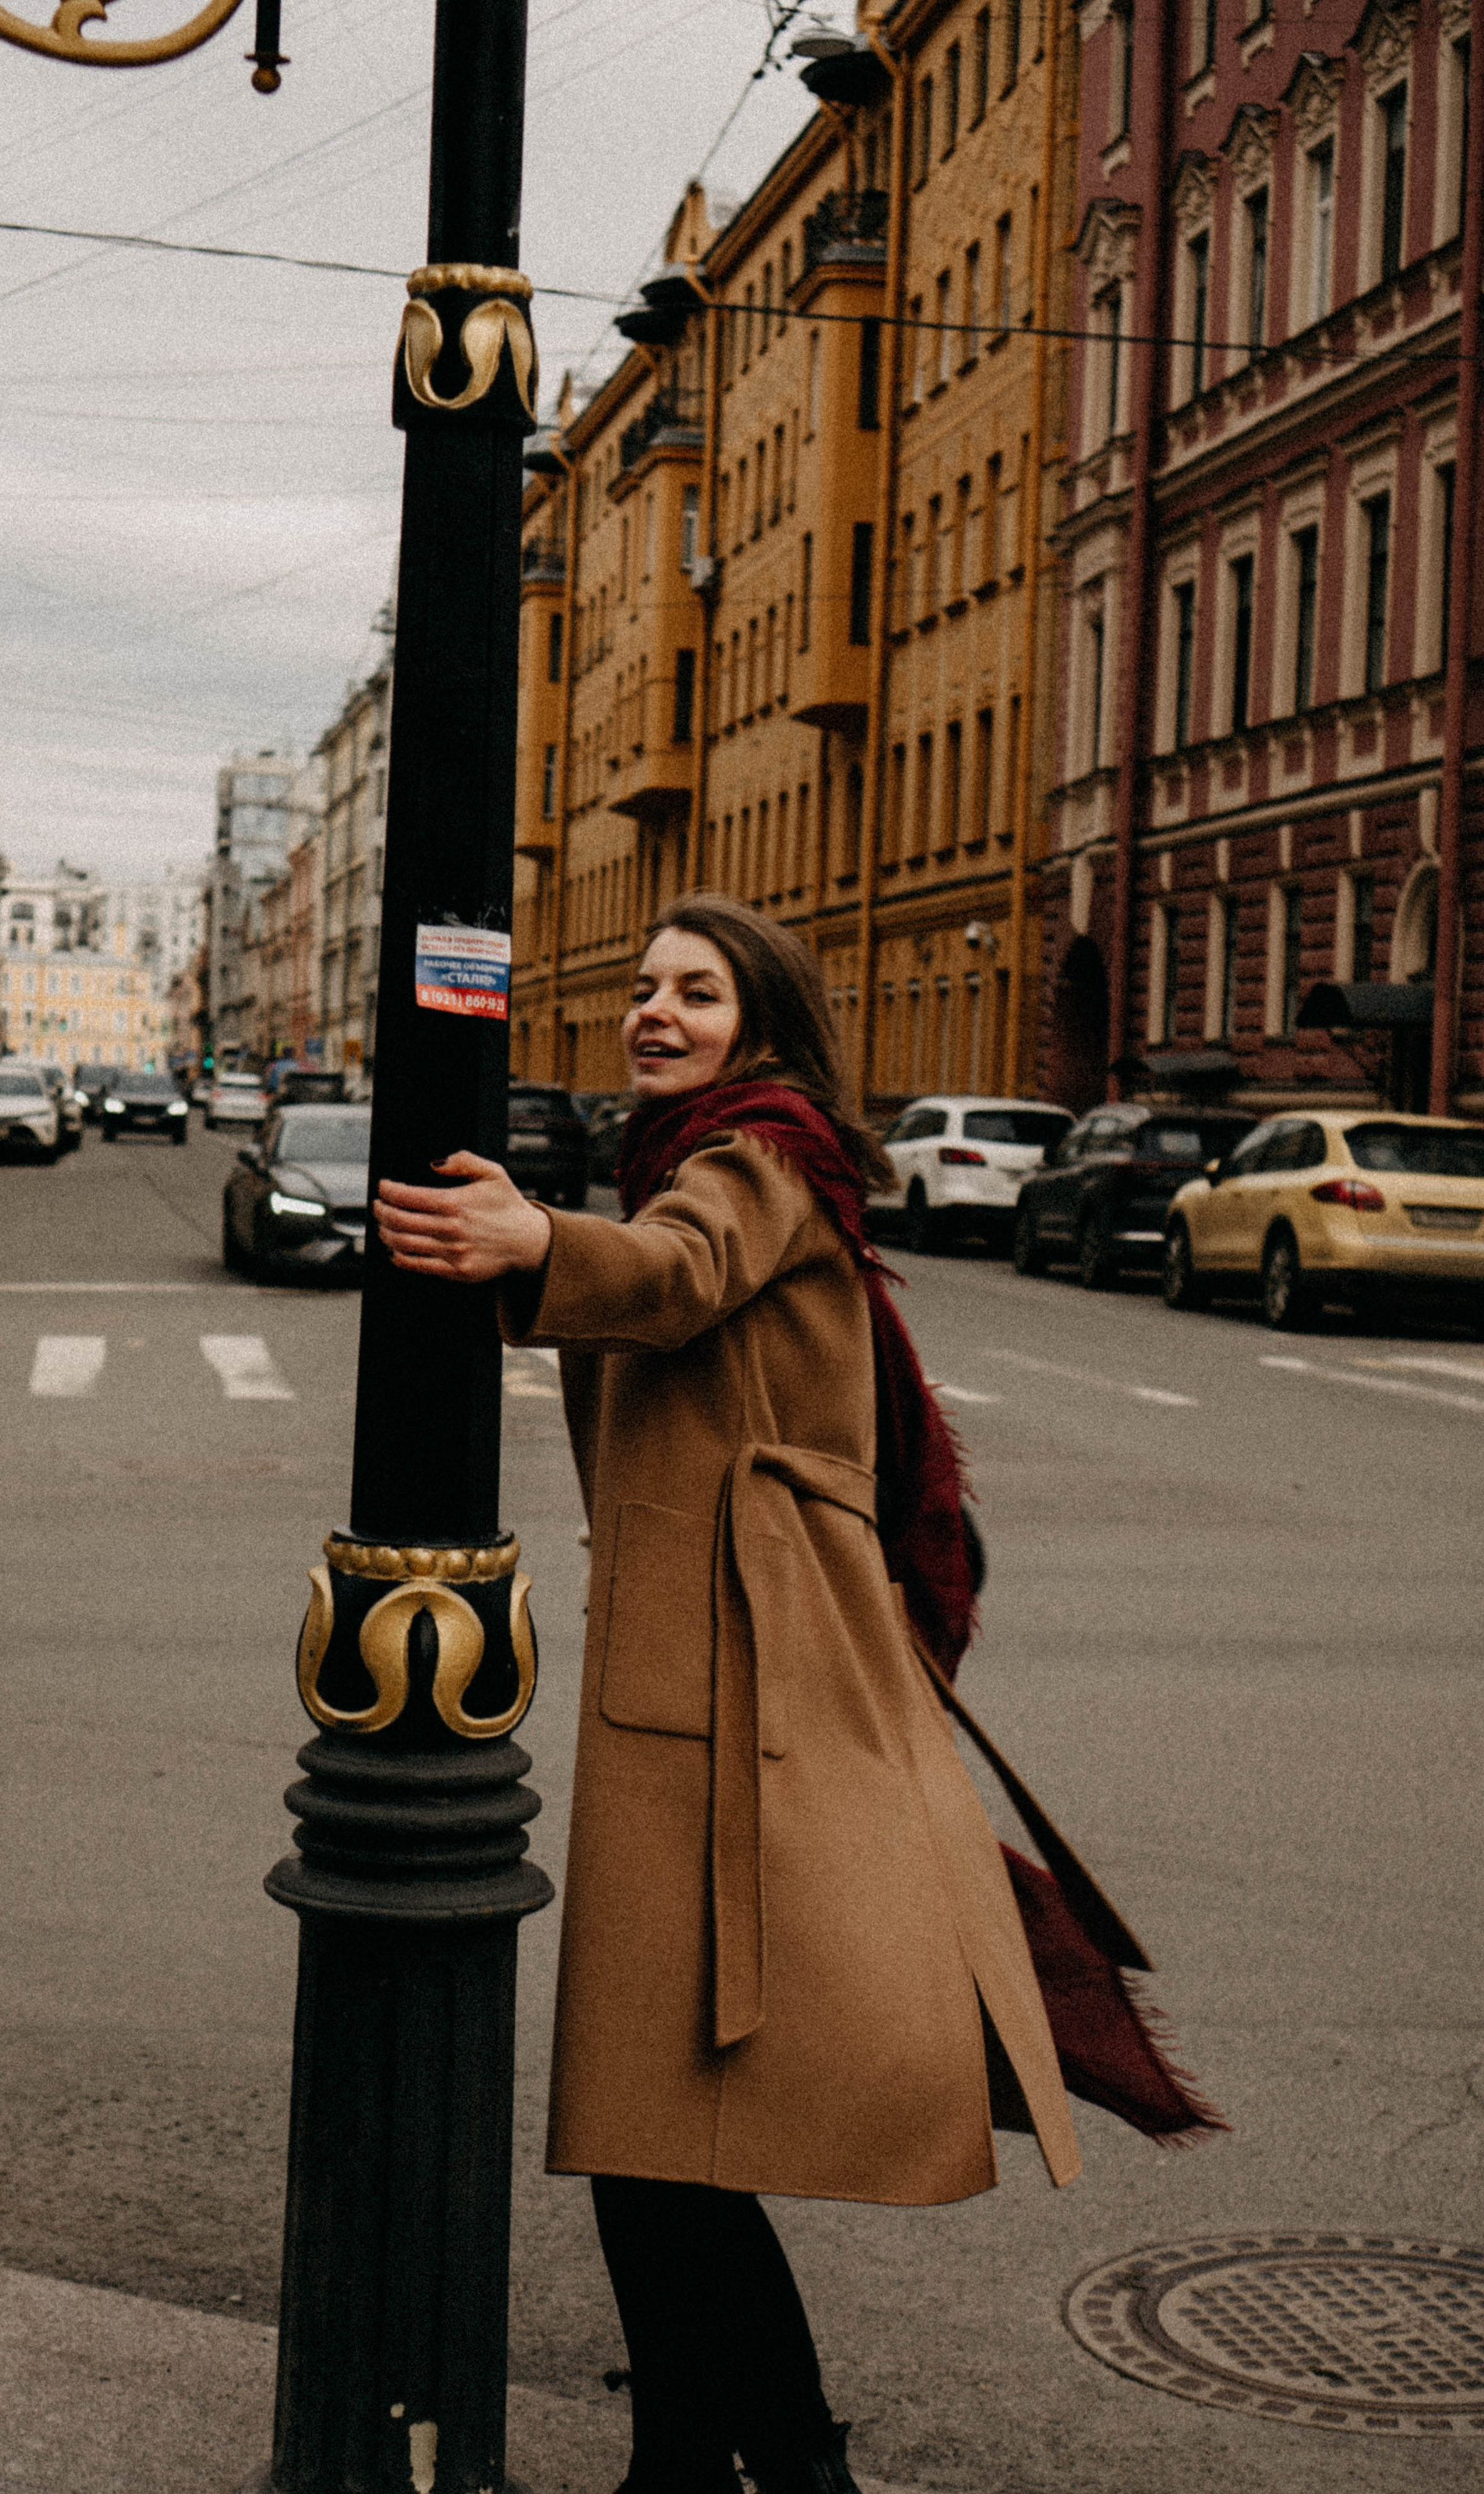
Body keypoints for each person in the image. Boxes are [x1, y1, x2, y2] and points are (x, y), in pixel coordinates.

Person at [374, 894, 1083, 2494]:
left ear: (759, 1022)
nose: (653, 1011)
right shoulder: (713, 1149)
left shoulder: (754, 1153)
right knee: (651, 2132)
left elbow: (680, 1276)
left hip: (734, 1679)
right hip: (709, 1662)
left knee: (660, 2132)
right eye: (641, 989)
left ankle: (768, 2460)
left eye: (694, 991)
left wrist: (537, 1245)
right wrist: (553, 1242)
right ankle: (698, 2453)